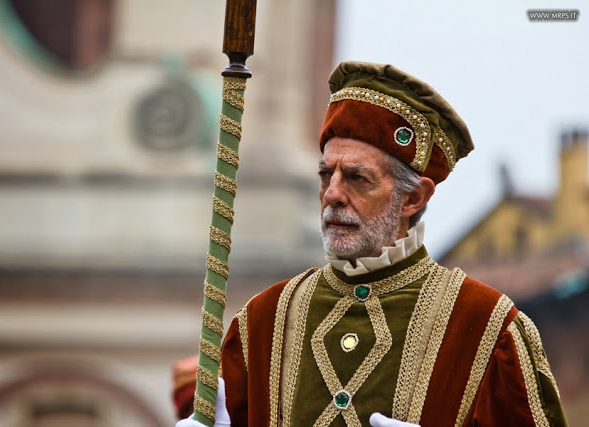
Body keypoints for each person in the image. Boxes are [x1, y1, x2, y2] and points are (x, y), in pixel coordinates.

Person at [180, 61, 567, 426]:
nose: (332, 194)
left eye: (356, 178)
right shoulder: (261, 321)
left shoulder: (488, 327)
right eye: (325, 174)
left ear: (413, 198)